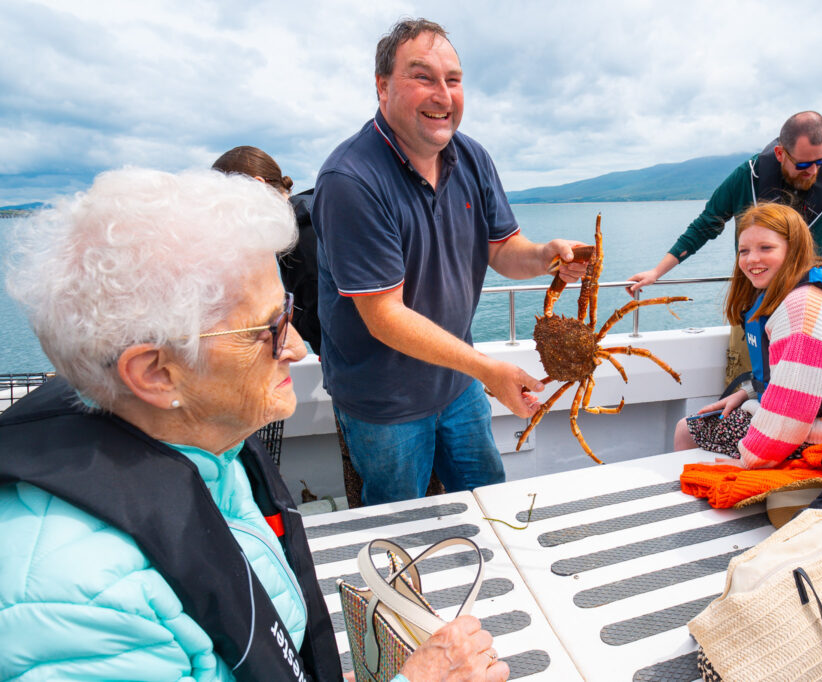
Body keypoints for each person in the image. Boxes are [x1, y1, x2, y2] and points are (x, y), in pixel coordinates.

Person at [0, 168, 509, 682]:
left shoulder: (208, 447)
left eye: (288, 311)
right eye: (269, 328)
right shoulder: (81, 611)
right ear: (156, 374)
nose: (297, 347)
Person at [312, 18, 586, 505]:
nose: (443, 94)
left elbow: (503, 249)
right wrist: (488, 371)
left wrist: (545, 256)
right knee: (397, 524)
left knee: (487, 504)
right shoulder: (350, 180)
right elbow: (385, 317)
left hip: (457, 383)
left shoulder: (471, 157)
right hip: (385, 399)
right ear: (382, 87)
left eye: (453, 80)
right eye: (423, 77)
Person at [627, 111, 822, 385]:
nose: (813, 171)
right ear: (779, 153)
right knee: (748, 385)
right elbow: (706, 224)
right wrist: (657, 271)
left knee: (806, 388)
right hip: (754, 304)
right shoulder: (747, 177)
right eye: (803, 163)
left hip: (811, 306)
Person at [673, 203, 822, 469]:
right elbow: (797, 376)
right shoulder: (809, 286)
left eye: (766, 248)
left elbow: (791, 414)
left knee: (686, 430)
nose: (751, 260)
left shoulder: (801, 307)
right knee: (716, 416)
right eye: (744, 251)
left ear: (792, 248)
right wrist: (748, 393)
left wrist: (745, 464)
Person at [213, 145, 323, 354]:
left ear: (256, 186)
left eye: (228, 201)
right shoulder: (313, 211)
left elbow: (319, 317)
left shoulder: (301, 230)